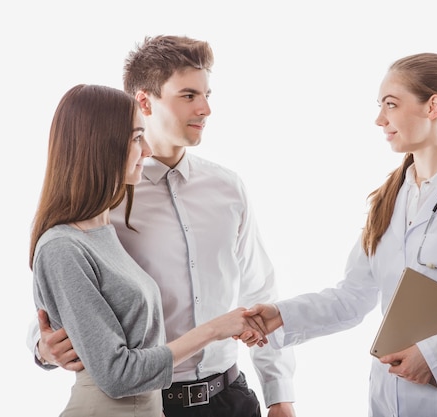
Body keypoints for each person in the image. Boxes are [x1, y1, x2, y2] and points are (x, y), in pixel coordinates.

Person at [244, 52, 437, 417]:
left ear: (433, 107)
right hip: (388, 397)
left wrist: (433, 358)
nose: (380, 119)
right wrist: (282, 315)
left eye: (391, 105)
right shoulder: (389, 197)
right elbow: (353, 296)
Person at [27, 36, 296, 417]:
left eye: (206, 94)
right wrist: (42, 349)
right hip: (150, 401)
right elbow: (67, 298)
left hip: (230, 396)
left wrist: (279, 394)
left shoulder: (228, 188)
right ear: (144, 101)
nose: (205, 108)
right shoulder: (103, 204)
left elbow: (260, 290)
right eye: (188, 95)